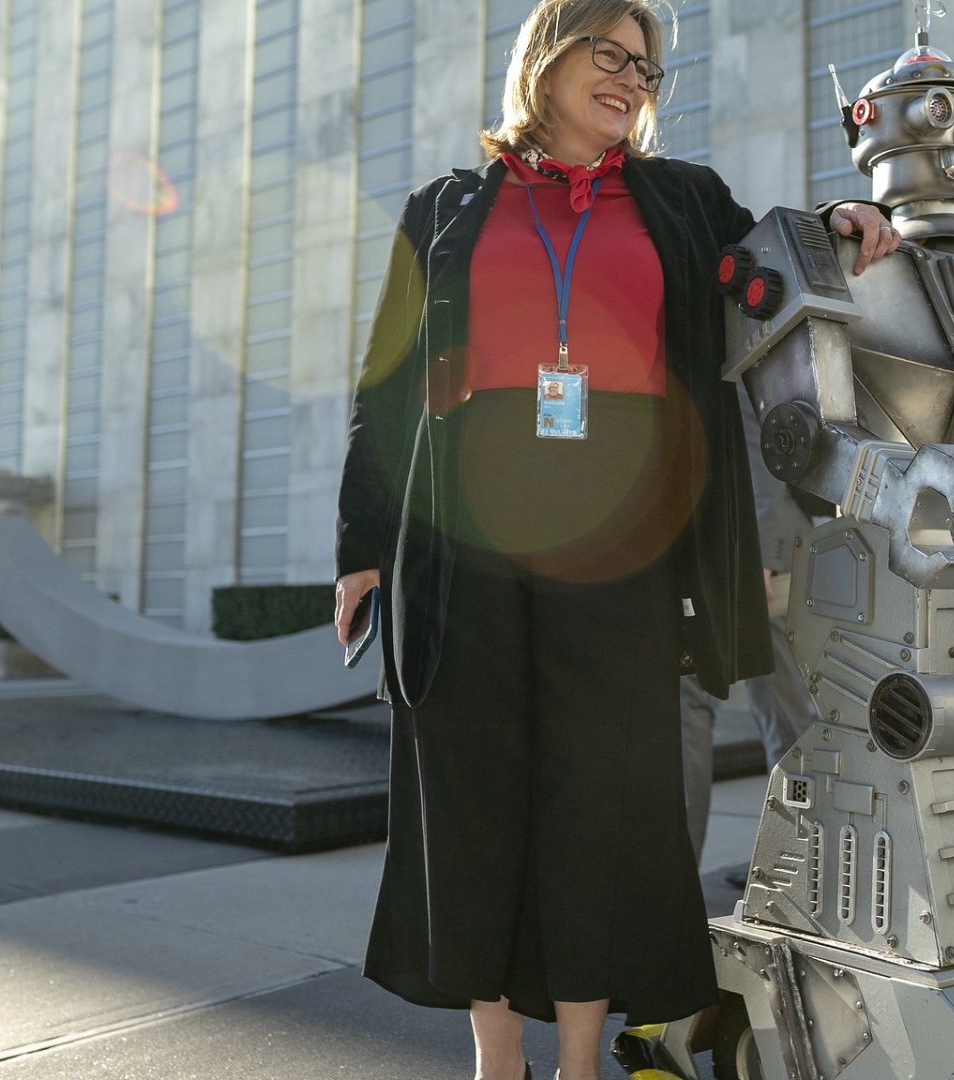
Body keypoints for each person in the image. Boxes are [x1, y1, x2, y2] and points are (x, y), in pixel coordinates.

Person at [330, 3, 900, 1078]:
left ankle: (582, 1057)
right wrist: (362, 542)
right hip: (467, 532)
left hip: (624, 530)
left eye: (646, 67)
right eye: (611, 54)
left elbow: (765, 263)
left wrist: (839, 218)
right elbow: (389, 385)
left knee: (605, 794)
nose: (634, 79)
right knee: (475, 795)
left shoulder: (680, 200)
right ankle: (499, 1058)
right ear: (547, 57)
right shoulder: (446, 208)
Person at [679, 396, 821, 870]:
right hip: (746, 553)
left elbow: (764, 449)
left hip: (751, 560)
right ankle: (805, 867)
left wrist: (756, 555)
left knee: (783, 719)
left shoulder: (726, 343)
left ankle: (806, 866)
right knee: (784, 717)